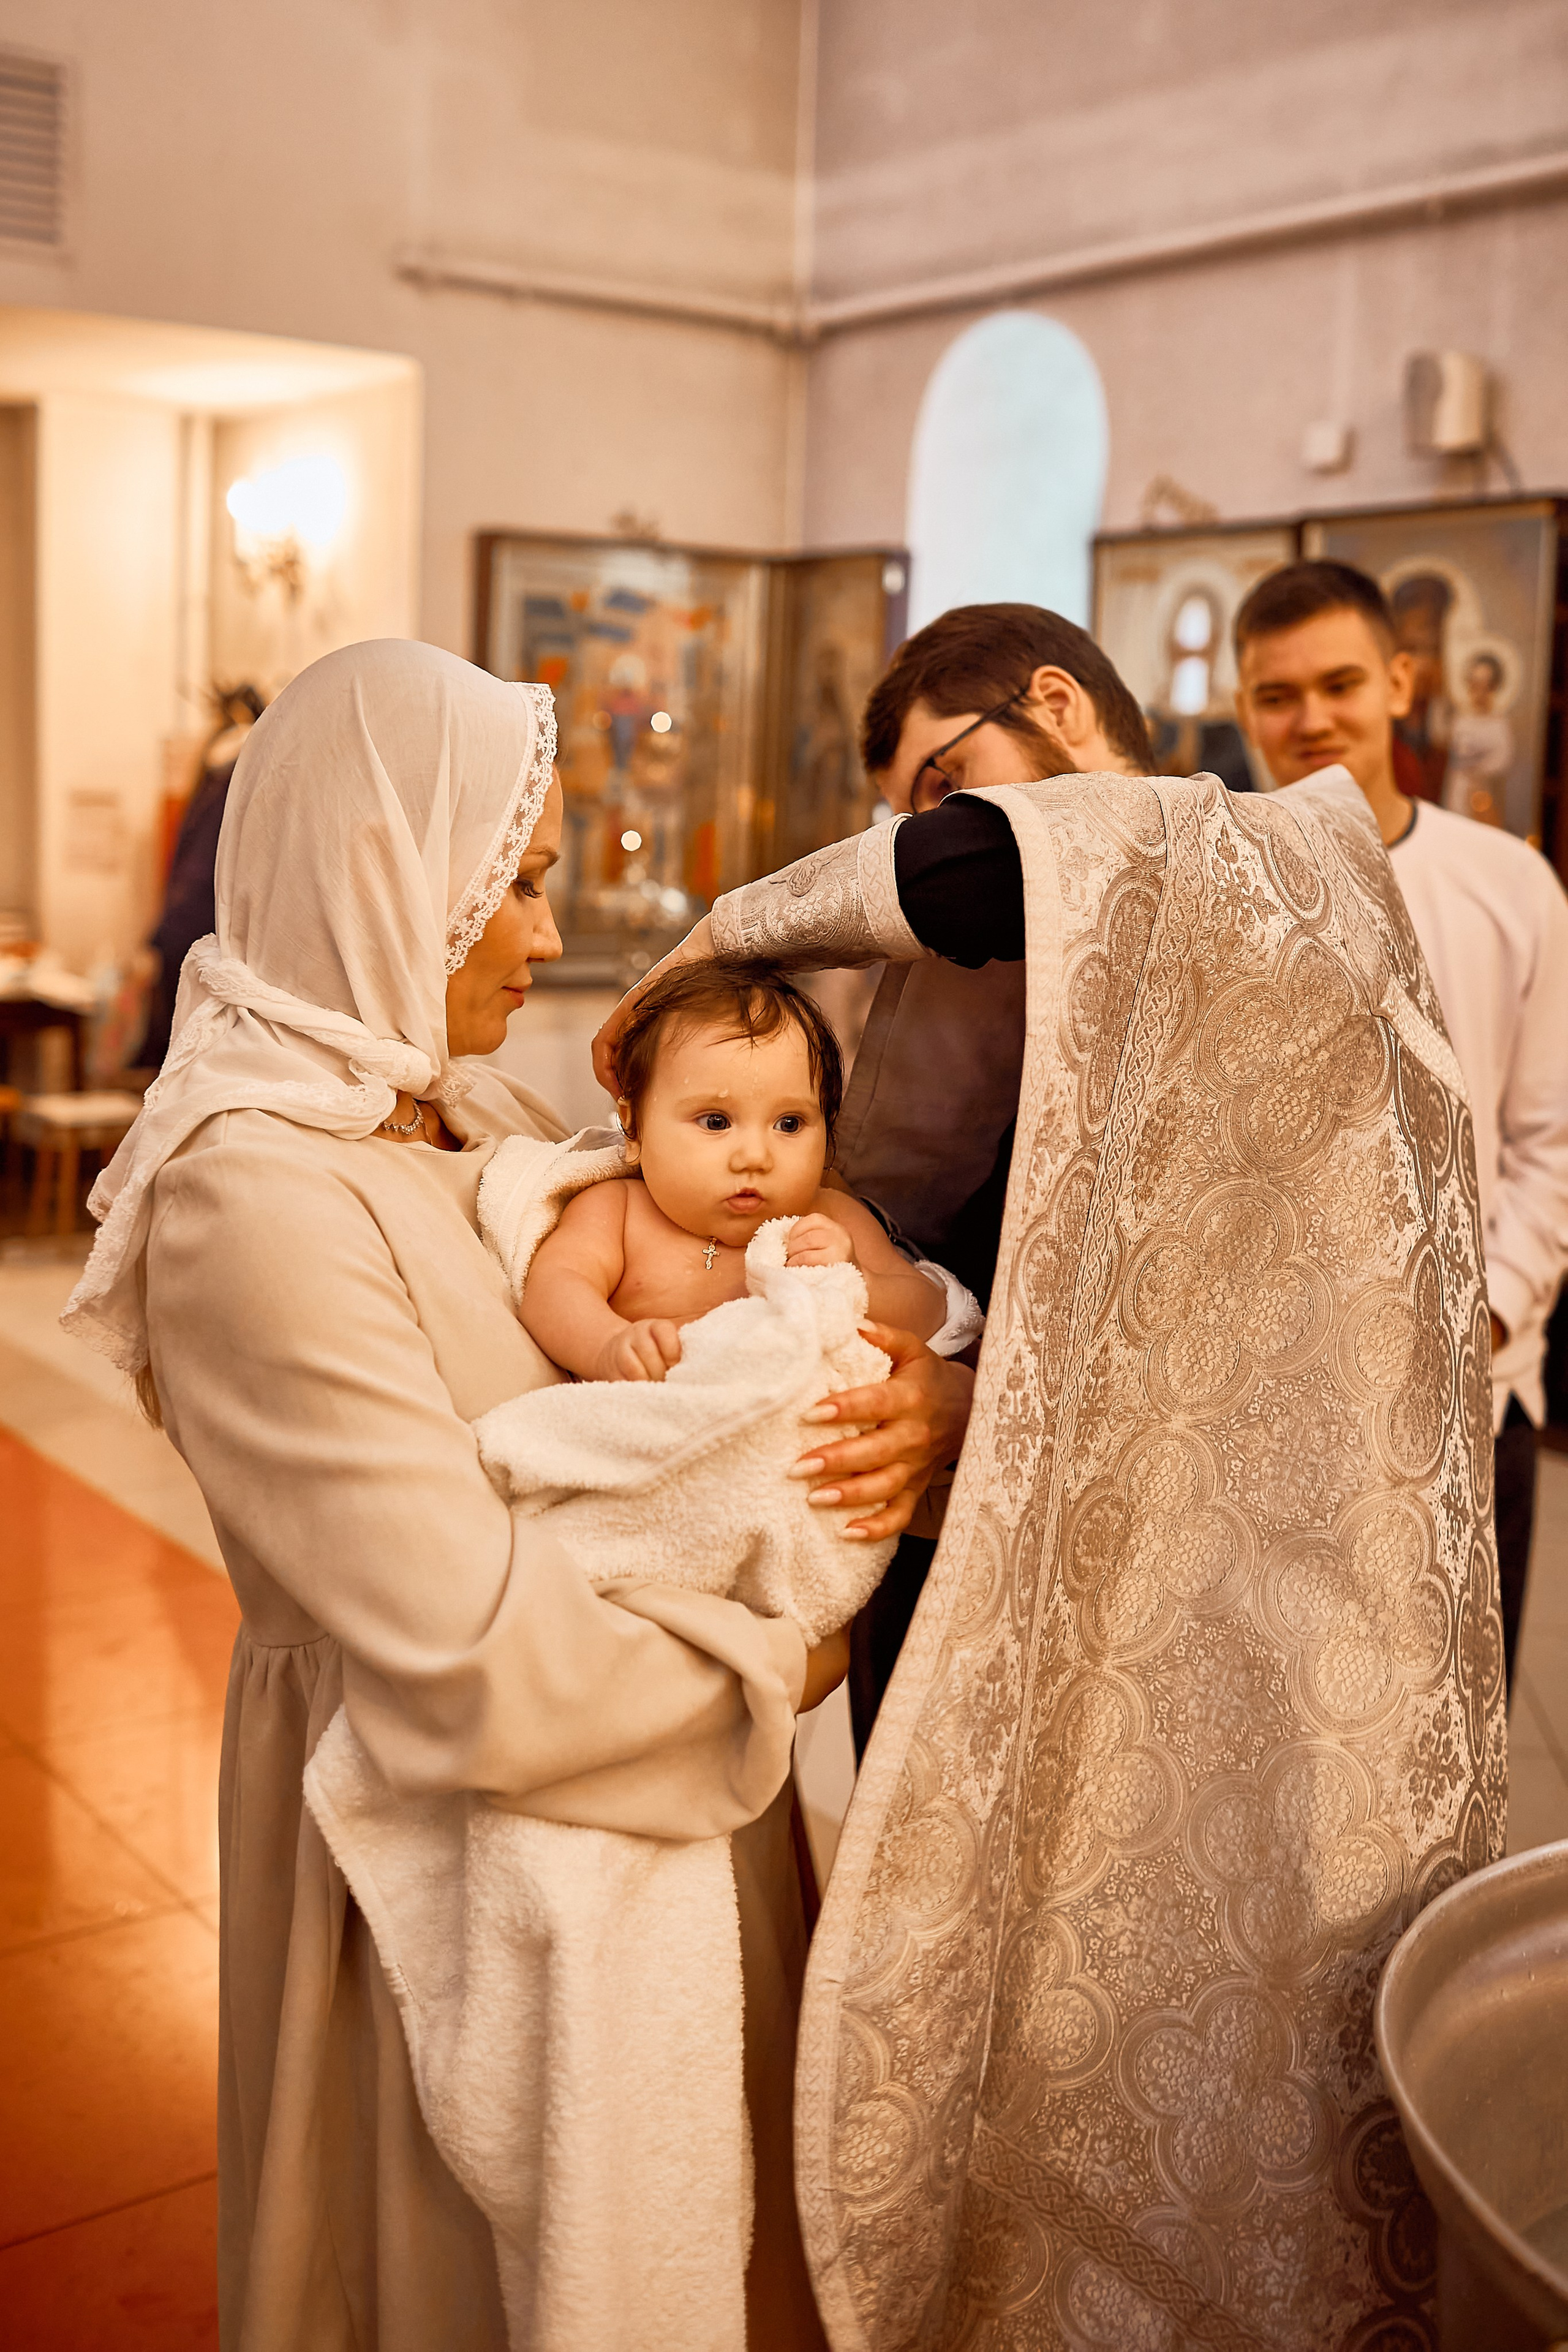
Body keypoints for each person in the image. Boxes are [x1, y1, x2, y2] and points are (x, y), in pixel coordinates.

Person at [61, 639, 968, 2352]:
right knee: (452, 2272)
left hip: (643, 1773)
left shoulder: (459, 1115)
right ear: (385, 876)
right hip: (448, 1825)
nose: (549, 938)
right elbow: (458, 1642)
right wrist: (783, 1662)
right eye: (523, 883)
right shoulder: (248, 1197)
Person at [593, 733, 1504, 2348]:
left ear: (1064, 735)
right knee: (1029, 1994)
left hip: (1258, 1585)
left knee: (1230, 1991)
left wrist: (732, 927)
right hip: (1003, 1566)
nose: (931, 840)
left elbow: (1185, 1339)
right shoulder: (1064, 956)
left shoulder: (1224, 874)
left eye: (948, 778)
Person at [1233, 559, 1568, 1689]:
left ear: (1401, 681)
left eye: (1340, 684)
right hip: (1269, 1393)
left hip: (1469, 1384)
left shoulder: (1508, 882)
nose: (1311, 718)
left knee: (1451, 1710)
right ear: (1243, 706)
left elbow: (1551, 1140)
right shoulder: (1214, 883)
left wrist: (1483, 1317)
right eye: (1278, 696)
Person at [522, 958, 947, 1383]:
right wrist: (608, 1345)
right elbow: (552, 1292)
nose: (755, 1158)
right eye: (716, 1122)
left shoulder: (831, 1217)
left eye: (790, 1124)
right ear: (634, 1129)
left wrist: (858, 1279)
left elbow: (932, 1308)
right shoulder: (617, 1214)